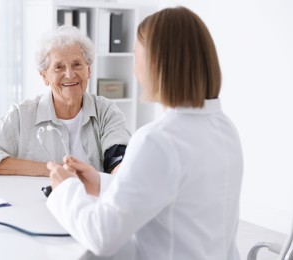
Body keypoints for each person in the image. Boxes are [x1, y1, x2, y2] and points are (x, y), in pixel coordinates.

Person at [46, 6, 243, 260]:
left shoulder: (157, 140)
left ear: (157, 64)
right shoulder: (224, 128)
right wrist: (101, 182)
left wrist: (65, 189)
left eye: (137, 57)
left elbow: (101, 235)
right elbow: (172, 189)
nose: (134, 70)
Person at [0, 26, 130, 176]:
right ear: (44, 76)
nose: (70, 74)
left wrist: (123, 173)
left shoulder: (106, 111)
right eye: (59, 67)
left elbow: (118, 159)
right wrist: (48, 168)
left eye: (77, 64)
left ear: (89, 70)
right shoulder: (22, 115)